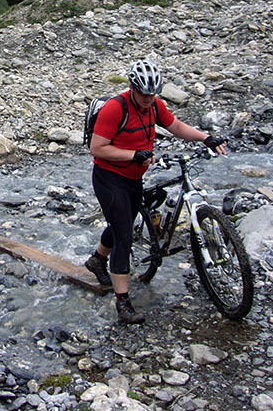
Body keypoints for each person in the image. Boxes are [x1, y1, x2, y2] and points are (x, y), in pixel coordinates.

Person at [85, 59, 227, 325]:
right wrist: (133, 154)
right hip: (109, 177)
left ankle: (96, 260)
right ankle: (123, 303)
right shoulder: (115, 109)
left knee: (123, 222)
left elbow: (175, 127)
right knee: (124, 235)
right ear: (132, 87)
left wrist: (205, 137)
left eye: (153, 94)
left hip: (134, 177)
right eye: (143, 93)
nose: (149, 98)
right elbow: (98, 148)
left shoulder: (154, 105)